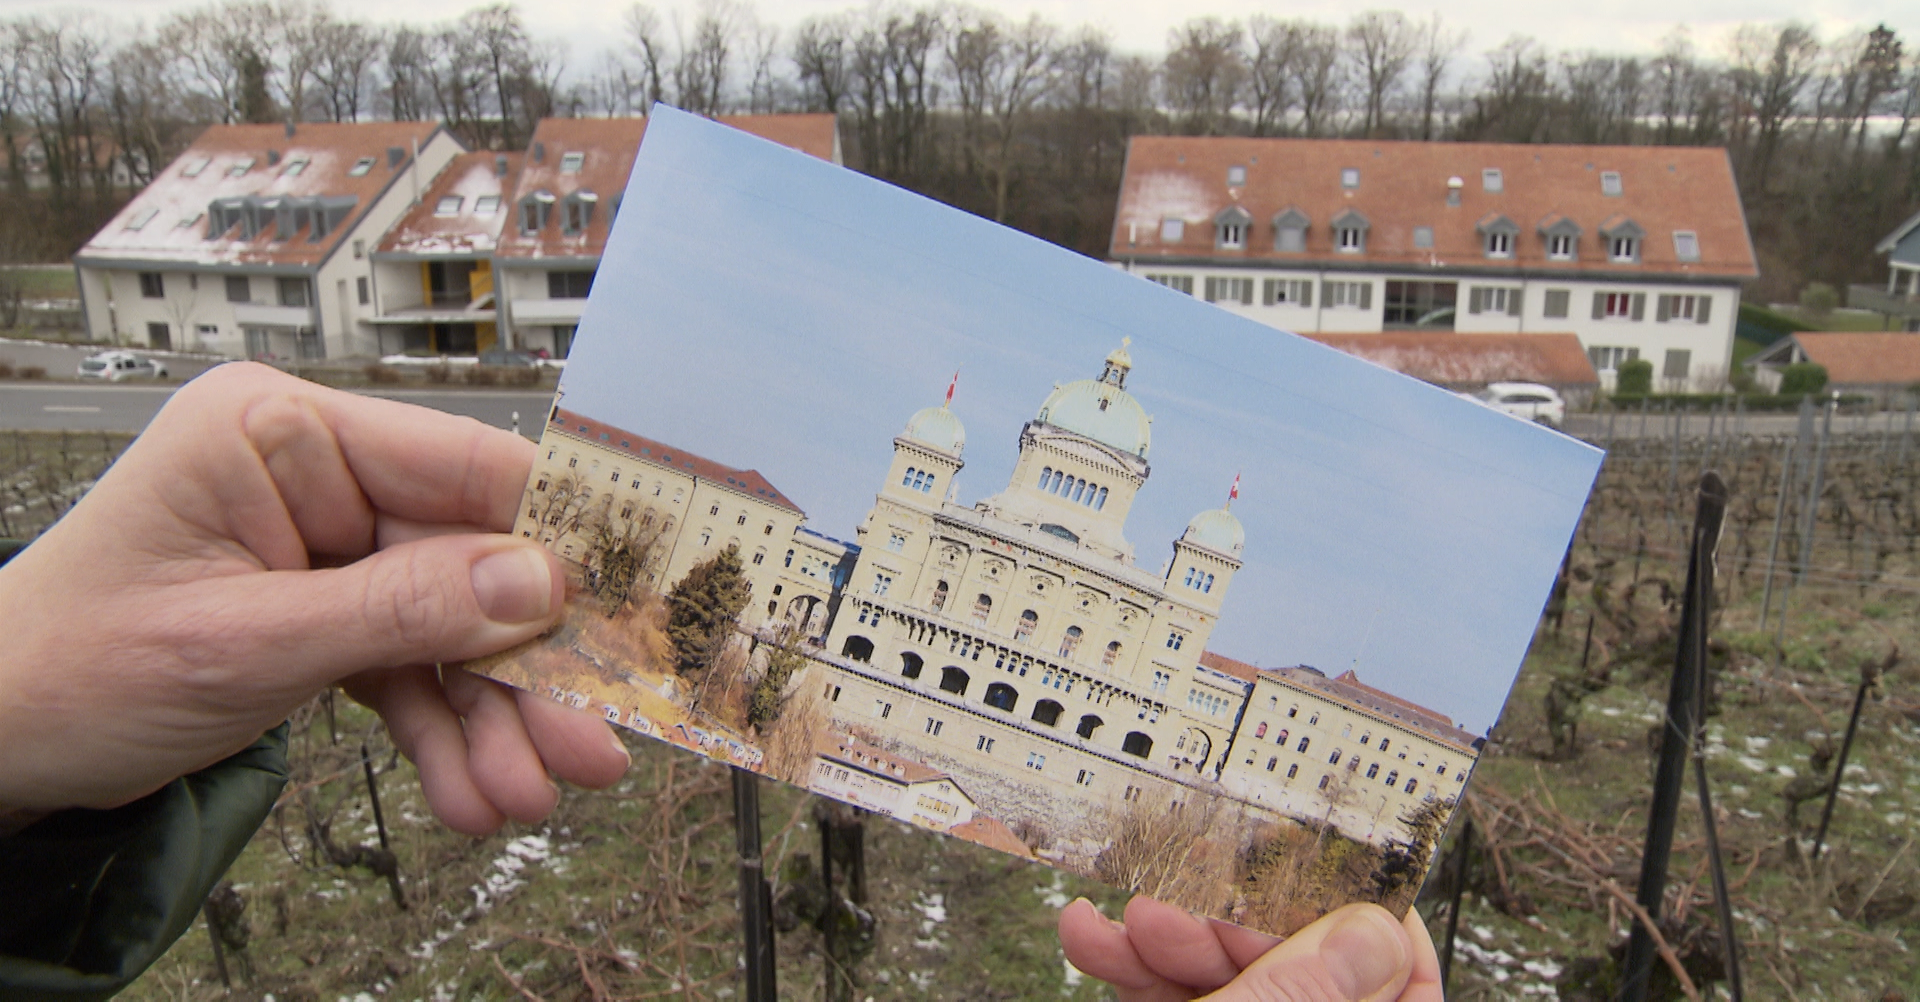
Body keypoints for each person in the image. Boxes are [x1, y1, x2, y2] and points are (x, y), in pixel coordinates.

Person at [0, 363, 1438, 1001]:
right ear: (995, 465)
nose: (1191, 593)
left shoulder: (1143, 589)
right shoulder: (934, 518)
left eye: (1199, 585)